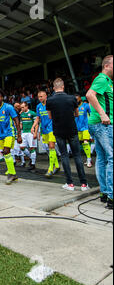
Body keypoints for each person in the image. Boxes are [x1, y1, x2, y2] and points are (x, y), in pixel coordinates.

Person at [46, 78, 89, 191]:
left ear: (54, 88)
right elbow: (76, 114)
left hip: (58, 131)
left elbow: (50, 117)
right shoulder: (72, 98)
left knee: (64, 156)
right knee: (77, 156)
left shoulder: (49, 100)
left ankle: (70, 184)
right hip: (72, 130)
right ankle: (84, 184)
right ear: (63, 87)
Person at [86, 55, 113, 209]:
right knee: (111, 157)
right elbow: (90, 95)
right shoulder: (102, 79)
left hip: (99, 125)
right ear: (107, 65)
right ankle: (111, 196)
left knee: (102, 158)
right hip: (102, 125)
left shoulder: (108, 82)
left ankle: (104, 193)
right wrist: (103, 114)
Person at [0, 89, 22, 185]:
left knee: (6, 151)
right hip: (1, 135)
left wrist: (19, 135)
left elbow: (16, 120)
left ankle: (11, 174)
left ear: (2, 97)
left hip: (9, 133)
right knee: (5, 154)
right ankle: (13, 174)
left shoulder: (8, 107)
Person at [32, 91, 60, 178]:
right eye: (38, 97)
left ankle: (50, 169)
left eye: (41, 96)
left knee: (51, 146)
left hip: (52, 128)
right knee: (49, 147)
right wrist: (33, 126)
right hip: (44, 129)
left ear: (46, 96)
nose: (40, 98)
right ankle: (57, 166)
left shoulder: (51, 104)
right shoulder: (38, 106)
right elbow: (37, 118)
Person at [75, 94, 93, 167]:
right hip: (77, 128)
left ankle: (89, 160)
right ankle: (88, 158)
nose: (76, 100)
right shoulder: (73, 107)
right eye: (75, 99)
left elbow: (91, 114)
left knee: (85, 142)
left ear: (80, 99)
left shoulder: (85, 106)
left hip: (85, 127)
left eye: (77, 99)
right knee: (82, 143)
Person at [19, 102, 37, 171]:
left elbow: (36, 124)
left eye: (23, 107)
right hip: (24, 133)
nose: (22, 109)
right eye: (21, 107)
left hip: (30, 133)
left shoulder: (32, 113)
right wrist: (19, 131)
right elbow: (21, 124)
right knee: (22, 147)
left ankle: (33, 164)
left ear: (27, 106)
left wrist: (35, 133)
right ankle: (31, 157)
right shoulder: (22, 114)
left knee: (32, 148)